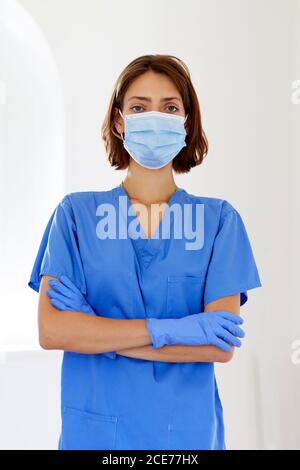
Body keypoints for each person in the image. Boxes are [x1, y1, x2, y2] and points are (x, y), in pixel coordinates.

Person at [28, 54, 262, 450]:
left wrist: (93, 327)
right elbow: (53, 331)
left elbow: (217, 346)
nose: (154, 118)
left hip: (184, 434)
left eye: (169, 108)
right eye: (139, 107)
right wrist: (169, 329)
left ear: (186, 122)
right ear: (119, 121)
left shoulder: (219, 221)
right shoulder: (75, 216)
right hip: (96, 433)